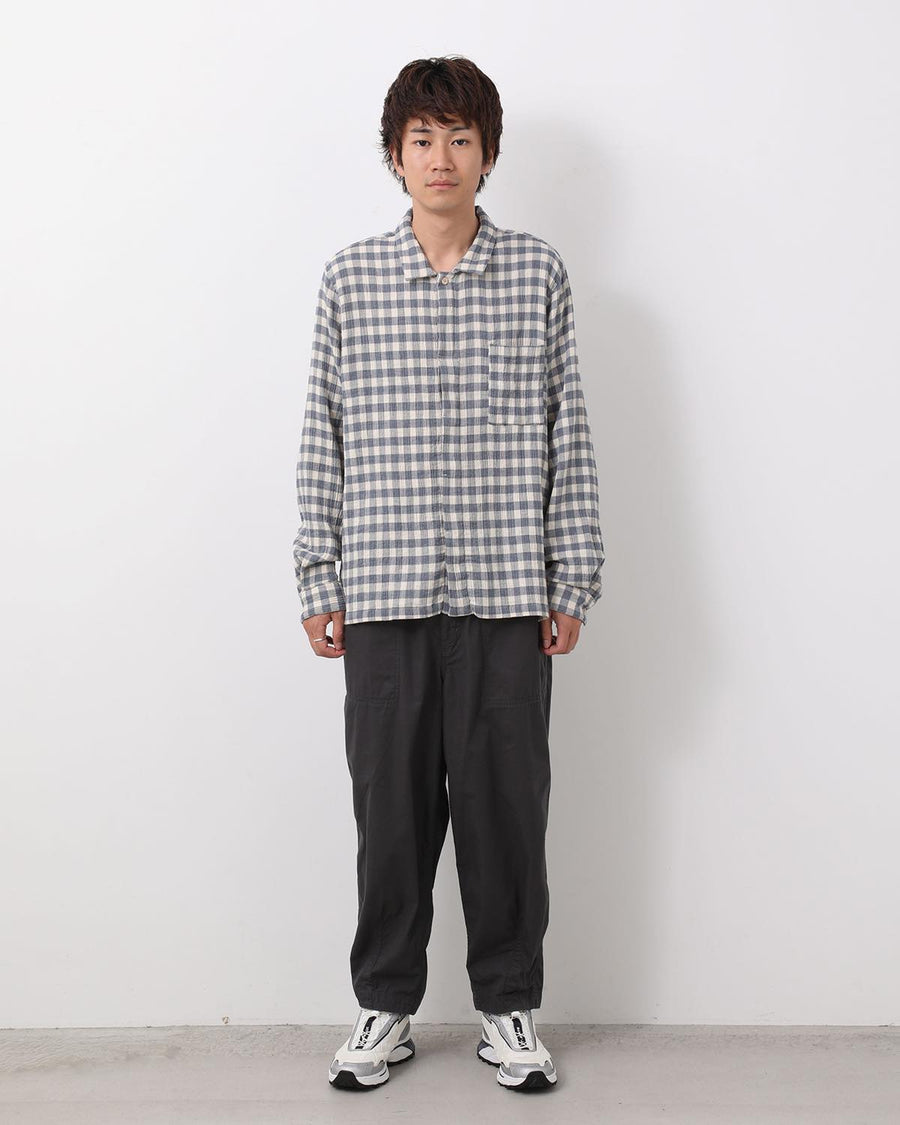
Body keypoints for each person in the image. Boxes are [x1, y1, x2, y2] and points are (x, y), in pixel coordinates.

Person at [292, 55, 605, 1094]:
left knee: (506, 810)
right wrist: (318, 576)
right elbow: (323, 436)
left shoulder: (537, 275)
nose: (441, 157)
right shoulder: (350, 279)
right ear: (395, 155)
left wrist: (572, 577)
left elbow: (568, 431)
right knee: (389, 813)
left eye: (460, 137)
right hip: (383, 596)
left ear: (488, 153)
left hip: (507, 594)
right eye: (422, 138)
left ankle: (508, 1005)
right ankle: (385, 1003)